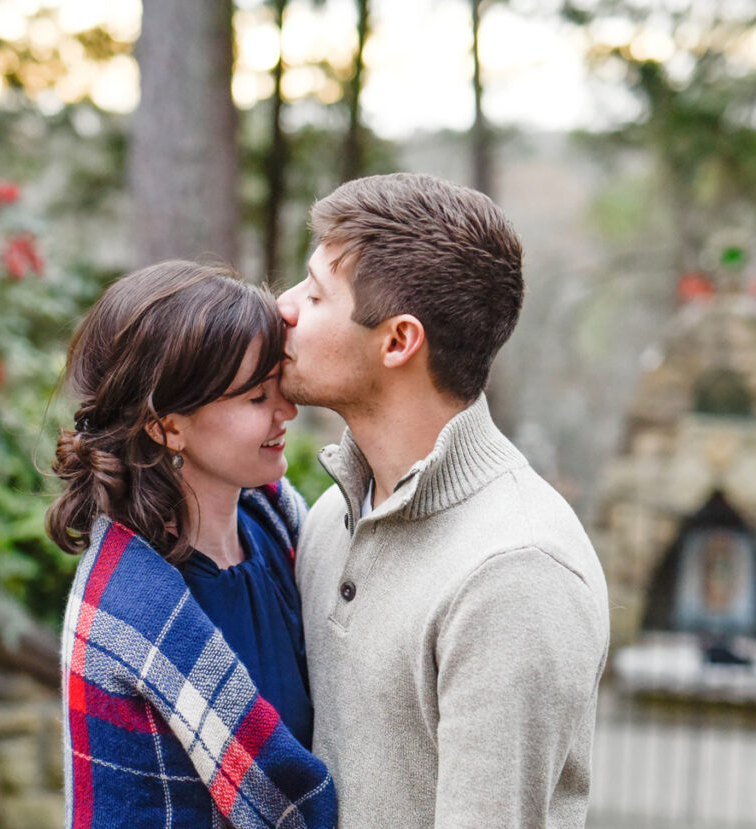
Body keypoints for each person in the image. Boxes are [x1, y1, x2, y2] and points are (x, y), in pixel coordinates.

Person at [276, 173, 610, 828]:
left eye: (315, 294)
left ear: (398, 341)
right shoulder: (330, 516)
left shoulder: (514, 572)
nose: (284, 306)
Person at [48, 260, 337, 829]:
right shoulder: (130, 611)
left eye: (277, 383)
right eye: (256, 397)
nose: (287, 411)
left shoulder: (282, 528)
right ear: (168, 426)